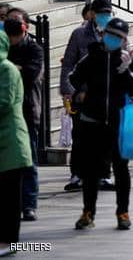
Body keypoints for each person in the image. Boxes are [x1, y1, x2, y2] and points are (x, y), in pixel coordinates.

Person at [69, 18, 133, 230]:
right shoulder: (92, 56)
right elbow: (74, 78)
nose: (113, 39)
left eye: (118, 37)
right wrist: (84, 89)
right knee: (91, 170)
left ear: (124, 39)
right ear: (103, 35)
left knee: (121, 168)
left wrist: (126, 70)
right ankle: (88, 212)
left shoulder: (126, 59)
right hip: (93, 120)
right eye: (110, 34)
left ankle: (123, 212)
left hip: (119, 122)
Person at [60, 0, 116, 192]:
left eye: (108, 13)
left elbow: (126, 63)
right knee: (81, 136)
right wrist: (68, 91)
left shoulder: (116, 34)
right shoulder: (79, 35)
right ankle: (77, 174)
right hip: (83, 94)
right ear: (91, 13)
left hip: (108, 95)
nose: (104, 17)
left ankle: (104, 175)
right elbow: (68, 64)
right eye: (101, 13)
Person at [5, 16, 43, 222]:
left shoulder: (34, 49)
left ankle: (29, 204)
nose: (13, 41)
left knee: (29, 160)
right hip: (8, 111)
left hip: (27, 110)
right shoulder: (5, 47)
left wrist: (11, 68)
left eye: (15, 37)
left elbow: (31, 73)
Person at [0, 30, 32, 257]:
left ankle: (9, 241)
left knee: (10, 197)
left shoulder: (8, 70)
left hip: (10, 142)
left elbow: (4, 102)